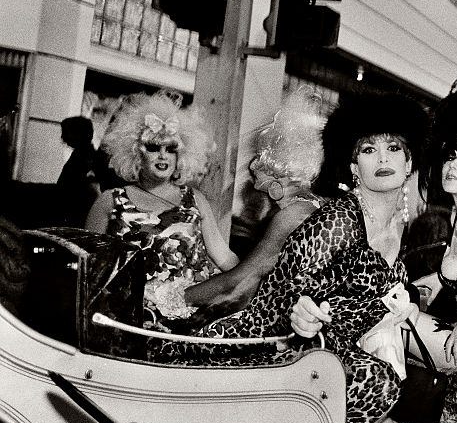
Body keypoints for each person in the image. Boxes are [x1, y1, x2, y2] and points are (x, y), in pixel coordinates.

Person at [149, 90, 429, 423]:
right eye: (369, 149)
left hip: (332, 355)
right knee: (378, 380)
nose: (382, 159)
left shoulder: (399, 224)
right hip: (271, 344)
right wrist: (304, 313)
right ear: (352, 161)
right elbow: (287, 292)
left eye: (394, 149)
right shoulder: (340, 217)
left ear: (410, 162)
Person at [291, 57, 457, 369]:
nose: (453, 167)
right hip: (448, 334)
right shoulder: (455, 219)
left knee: (379, 323)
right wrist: (430, 282)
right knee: (366, 311)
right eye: (452, 156)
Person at [84, 90, 238, 329]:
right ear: (135, 152)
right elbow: (90, 272)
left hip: (189, 324)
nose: (163, 156)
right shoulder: (109, 202)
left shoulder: (195, 200)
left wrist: (258, 279)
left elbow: (225, 258)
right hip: (127, 321)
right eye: (154, 147)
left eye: (171, 149)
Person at [183, 91, 326, 318]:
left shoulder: (292, 214)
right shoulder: (307, 205)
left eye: (259, 157)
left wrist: (178, 297)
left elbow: (237, 283)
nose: (251, 166)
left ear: (279, 167)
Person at [55, 115, 100, 227]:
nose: (62, 137)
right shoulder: (81, 155)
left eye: (66, 132)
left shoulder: (85, 158)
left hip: (75, 216)